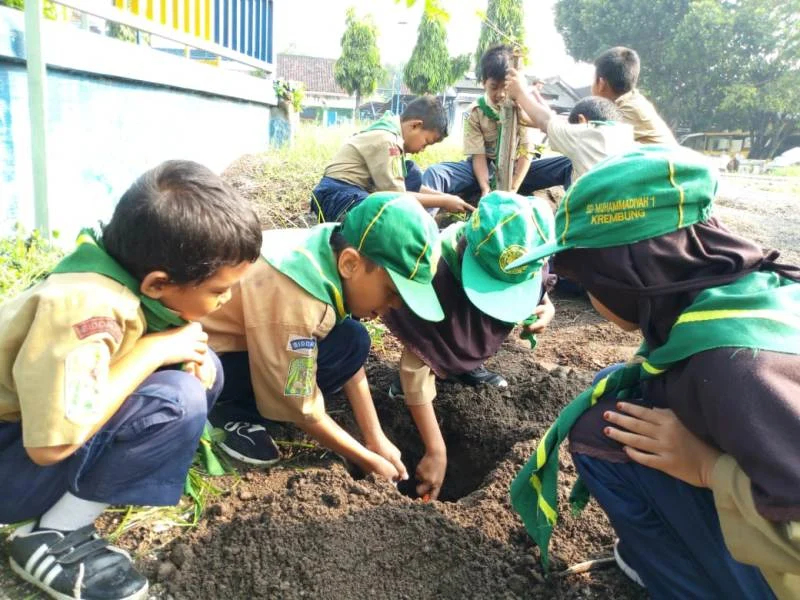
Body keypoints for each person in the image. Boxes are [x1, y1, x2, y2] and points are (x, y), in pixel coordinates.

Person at [509, 145, 799, 598]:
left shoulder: (736, 372)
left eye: (586, 280)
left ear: (623, 276)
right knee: (622, 392)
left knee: (599, 430)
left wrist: (709, 469)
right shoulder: (747, 294)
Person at [0, 160, 263, 600]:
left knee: (201, 367)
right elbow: (51, 447)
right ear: (157, 283)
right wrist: (155, 351)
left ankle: (66, 510)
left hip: (19, 437)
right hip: (16, 458)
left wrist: (175, 346)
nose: (227, 299)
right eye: (218, 291)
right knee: (178, 400)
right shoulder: (88, 313)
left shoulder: (120, 276)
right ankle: (52, 537)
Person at [203, 192, 445, 482]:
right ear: (350, 263)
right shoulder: (298, 303)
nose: (393, 306)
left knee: (353, 340)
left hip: (252, 338)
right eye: (392, 292)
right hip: (206, 363)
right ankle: (230, 412)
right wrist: (366, 459)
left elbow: (349, 361)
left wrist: (375, 437)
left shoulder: (332, 250)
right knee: (297, 381)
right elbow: (301, 405)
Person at [382, 191, 556, 500]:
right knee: (433, 343)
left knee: (472, 332)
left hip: (474, 311)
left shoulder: (533, 250)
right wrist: (436, 449)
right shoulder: (435, 270)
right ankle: (438, 365)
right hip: (448, 297)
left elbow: (537, 285)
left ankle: (465, 365)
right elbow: (414, 366)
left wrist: (546, 308)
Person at [422, 44, 573, 202]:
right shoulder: (473, 111)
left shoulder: (523, 108)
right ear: (484, 82)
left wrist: (513, 188)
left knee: (568, 163)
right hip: (483, 170)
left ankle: (573, 212)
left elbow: (526, 152)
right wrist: (485, 187)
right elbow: (478, 155)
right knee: (436, 173)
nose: (500, 94)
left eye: (505, 87)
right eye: (494, 87)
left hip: (520, 170)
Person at [310, 96, 473, 222]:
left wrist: (446, 198)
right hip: (337, 194)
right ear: (415, 125)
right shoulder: (388, 141)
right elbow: (397, 196)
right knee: (382, 214)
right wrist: (443, 201)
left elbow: (404, 186)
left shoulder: (392, 132)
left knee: (412, 173)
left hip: (352, 191)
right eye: (426, 143)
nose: (422, 150)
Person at [505, 69, 636, 182]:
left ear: (582, 120)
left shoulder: (584, 135)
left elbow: (546, 121)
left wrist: (519, 93)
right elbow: (558, 122)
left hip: (593, 202)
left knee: (568, 164)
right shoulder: (625, 133)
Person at [592, 46, 676, 145]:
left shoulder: (627, 111)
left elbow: (594, 144)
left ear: (601, 84)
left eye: (593, 80)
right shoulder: (633, 100)